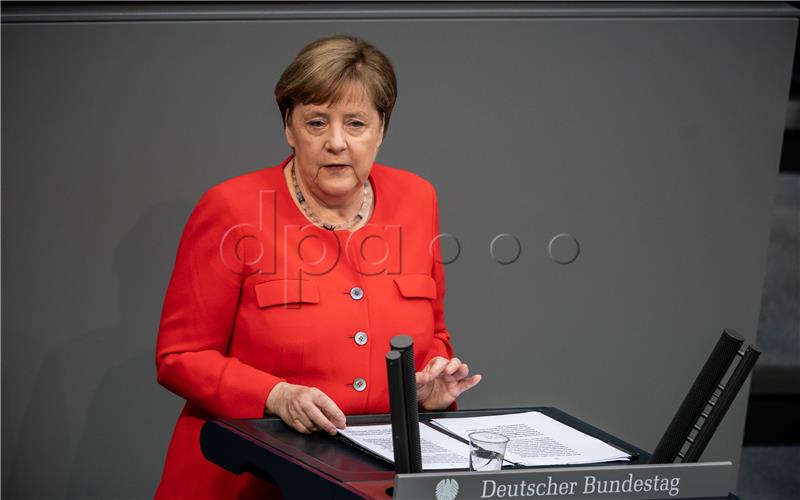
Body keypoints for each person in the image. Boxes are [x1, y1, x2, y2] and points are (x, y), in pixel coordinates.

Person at [154, 34, 481, 499]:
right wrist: (275, 395)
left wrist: (426, 386)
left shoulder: (417, 198)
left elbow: (432, 333)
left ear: (381, 129)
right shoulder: (231, 209)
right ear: (289, 128)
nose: (336, 142)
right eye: (315, 122)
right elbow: (180, 358)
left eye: (356, 123)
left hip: (369, 483)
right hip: (248, 479)